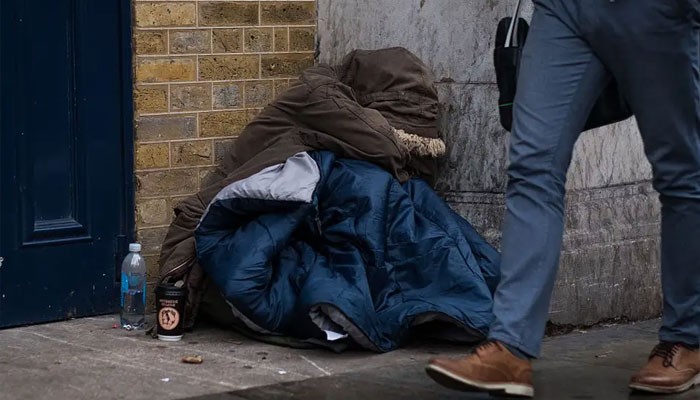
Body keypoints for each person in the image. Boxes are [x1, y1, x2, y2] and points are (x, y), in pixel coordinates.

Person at [425, 0, 700, 397]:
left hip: (655, 11)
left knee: (681, 175)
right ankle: (510, 347)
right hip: (565, 10)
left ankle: (686, 339)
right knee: (531, 165)